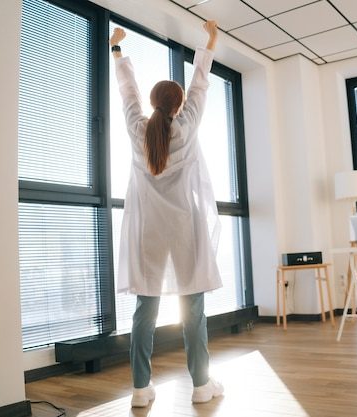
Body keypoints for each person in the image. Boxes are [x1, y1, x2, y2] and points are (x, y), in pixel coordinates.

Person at [109, 21, 224, 407]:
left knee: (146, 309)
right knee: (193, 310)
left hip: (149, 234)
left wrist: (116, 52)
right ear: (177, 106)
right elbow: (200, 85)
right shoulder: (188, 126)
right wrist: (208, 42)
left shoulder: (137, 128)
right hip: (184, 230)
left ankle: (141, 390)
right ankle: (201, 385)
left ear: (154, 105)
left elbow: (128, 95)